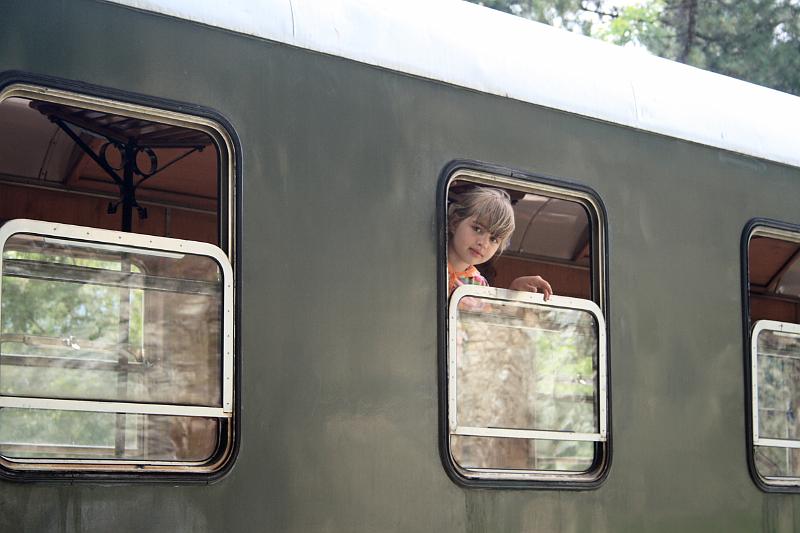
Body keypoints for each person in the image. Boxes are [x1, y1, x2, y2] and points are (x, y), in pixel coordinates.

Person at [447, 186, 553, 298]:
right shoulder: (429, 263)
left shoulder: (479, 285)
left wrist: (513, 293)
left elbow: (485, 315)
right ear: (455, 222)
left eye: (493, 239)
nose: (483, 243)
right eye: (477, 229)